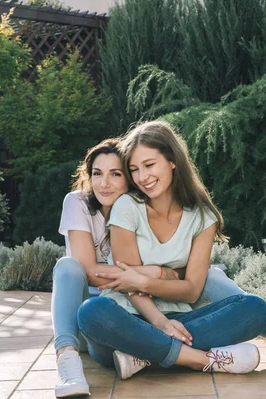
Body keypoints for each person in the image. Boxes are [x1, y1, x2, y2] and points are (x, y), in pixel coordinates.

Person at [77, 121, 266, 380]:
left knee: (254, 308)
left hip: (181, 319)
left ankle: (143, 356)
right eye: (134, 169)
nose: (142, 177)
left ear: (172, 160)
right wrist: (159, 322)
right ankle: (202, 360)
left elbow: (192, 289)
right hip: (124, 319)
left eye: (149, 165)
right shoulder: (127, 206)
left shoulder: (203, 217)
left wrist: (147, 281)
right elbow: (128, 283)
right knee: (92, 312)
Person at [52, 139, 182, 397]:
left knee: (211, 277)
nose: (103, 183)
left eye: (115, 174)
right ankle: (67, 362)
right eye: (97, 174)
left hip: (132, 311)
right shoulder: (76, 203)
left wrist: (147, 277)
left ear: (129, 179)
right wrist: (155, 273)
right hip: (86, 315)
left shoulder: (142, 209)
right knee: (67, 267)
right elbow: (89, 270)